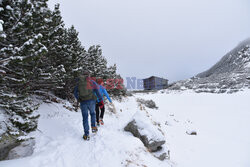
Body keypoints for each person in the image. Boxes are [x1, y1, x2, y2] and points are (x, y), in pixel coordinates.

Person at [74, 72, 104, 140]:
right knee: (93, 113)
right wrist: (101, 100)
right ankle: (93, 127)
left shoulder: (79, 83)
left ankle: (86, 134)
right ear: (89, 76)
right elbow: (97, 91)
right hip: (91, 101)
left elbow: (75, 92)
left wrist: (79, 99)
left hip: (83, 102)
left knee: (85, 117)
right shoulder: (92, 82)